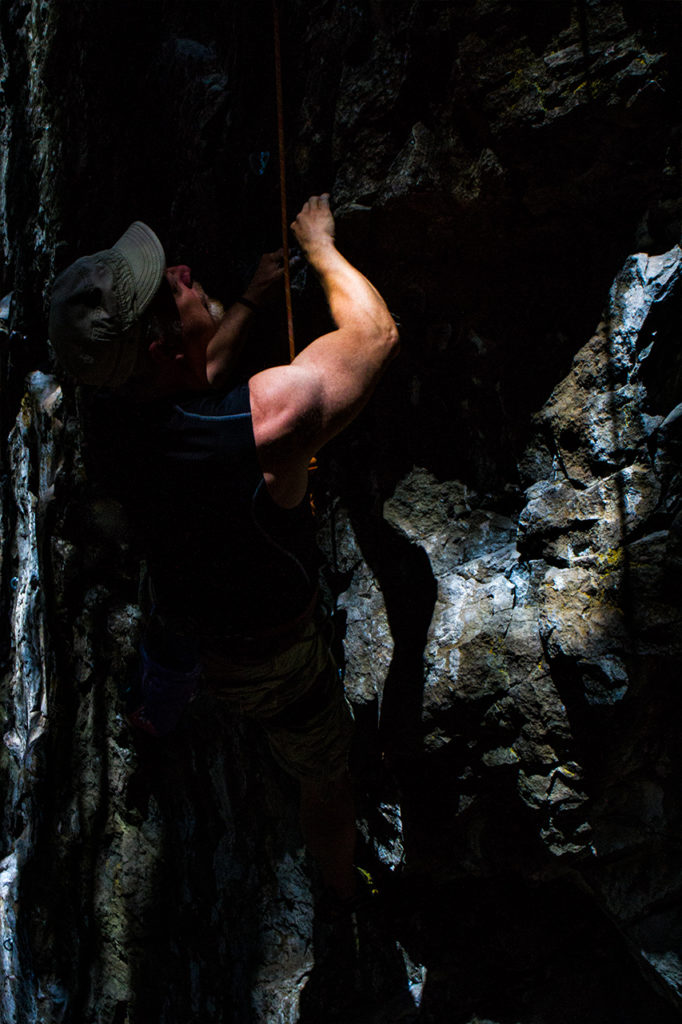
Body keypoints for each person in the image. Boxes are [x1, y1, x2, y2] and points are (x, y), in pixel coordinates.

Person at [49, 195, 399, 907]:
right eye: (166, 288)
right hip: (270, 656)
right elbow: (375, 337)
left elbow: (193, 376)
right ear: (158, 344)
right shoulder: (264, 422)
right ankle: (344, 896)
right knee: (324, 772)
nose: (180, 272)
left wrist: (244, 300)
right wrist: (321, 247)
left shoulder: (107, 409)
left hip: (185, 609)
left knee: (174, 641)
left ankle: (161, 704)